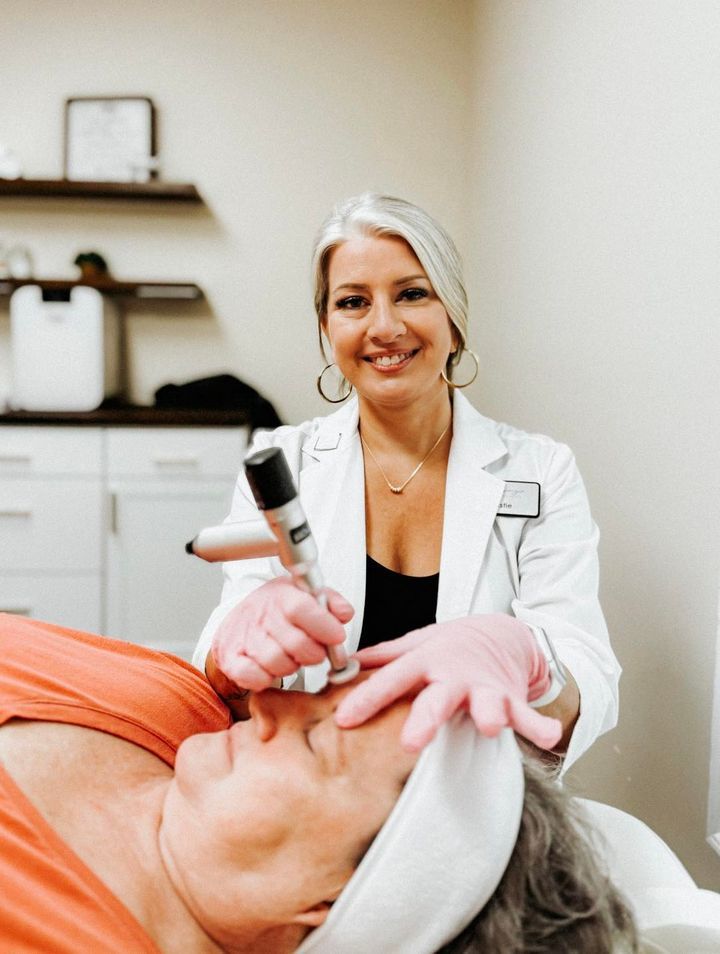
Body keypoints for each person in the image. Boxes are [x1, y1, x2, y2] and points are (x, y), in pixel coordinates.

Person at [194, 192, 620, 770]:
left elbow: (585, 691)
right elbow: (222, 684)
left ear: (454, 316)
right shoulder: (280, 464)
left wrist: (532, 660)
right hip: (316, 788)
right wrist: (230, 648)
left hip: (475, 792)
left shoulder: (541, 471)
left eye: (412, 294)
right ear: (327, 328)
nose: (385, 327)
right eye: (352, 302)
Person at [0, 613, 636, 953]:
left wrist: (546, 665)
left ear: (327, 904)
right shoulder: (180, 702)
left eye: (314, 739)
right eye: (323, 694)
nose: (269, 702)